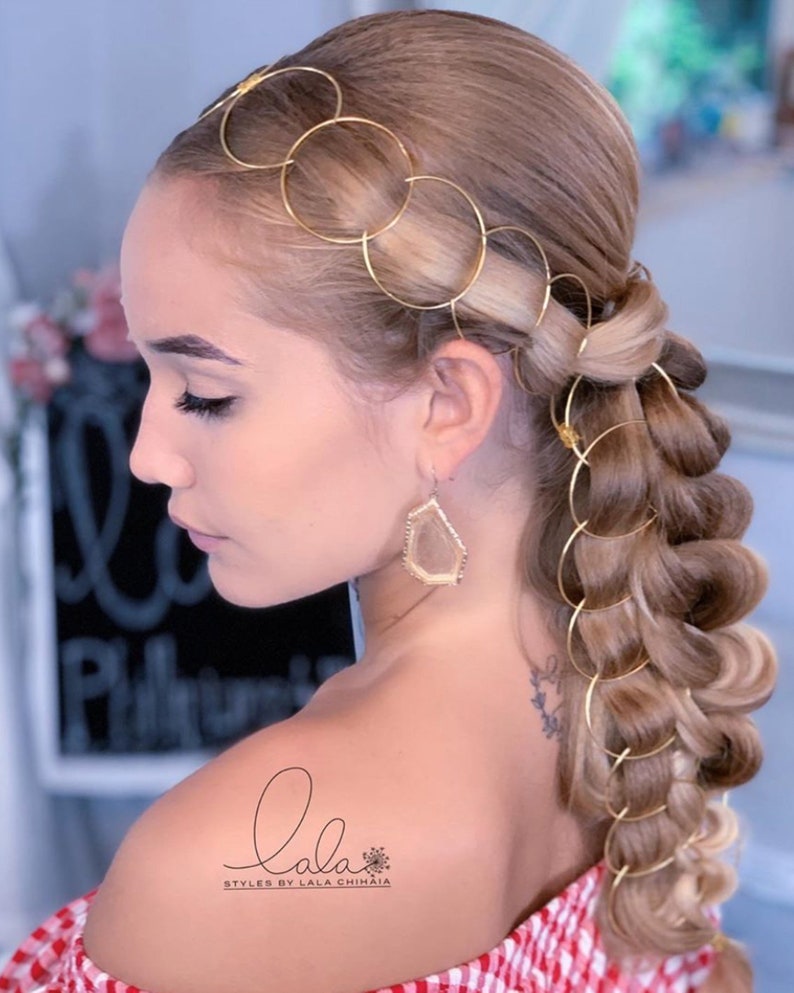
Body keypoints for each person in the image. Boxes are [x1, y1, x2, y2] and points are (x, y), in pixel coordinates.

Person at [0, 9, 778, 993]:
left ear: (446, 405)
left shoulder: (219, 871)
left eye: (206, 394)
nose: (150, 457)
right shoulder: (633, 696)